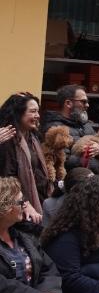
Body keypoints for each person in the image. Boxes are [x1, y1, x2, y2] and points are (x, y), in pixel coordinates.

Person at [0, 177, 82, 293]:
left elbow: (49, 270)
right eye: (20, 201)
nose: (26, 204)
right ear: (4, 207)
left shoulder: (23, 236)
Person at [0, 92, 48, 224]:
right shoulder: (8, 139)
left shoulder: (32, 137)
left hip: (37, 199)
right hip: (17, 206)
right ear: (18, 113)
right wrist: (25, 203)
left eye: (38, 111)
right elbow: (8, 177)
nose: (37, 116)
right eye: (32, 111)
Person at [39, 85, 99, 174]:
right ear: (68, 103)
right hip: (70, 182)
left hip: (91, 179)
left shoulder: (86, 125)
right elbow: (62, 159)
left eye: (87, 102)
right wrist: (88, 159)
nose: (87, 105)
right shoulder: (54, 128)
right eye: (83, 101)